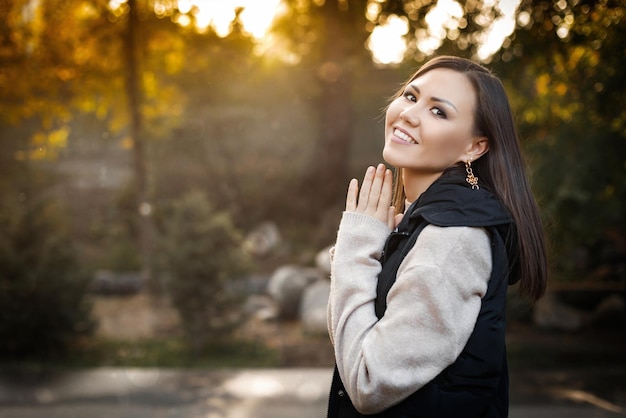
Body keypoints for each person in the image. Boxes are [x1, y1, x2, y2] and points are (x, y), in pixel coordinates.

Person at [326, 55, 548, 418]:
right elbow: (355, 344)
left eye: (439, 112)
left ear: (474, 147)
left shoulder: (453, 239)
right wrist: (371, 252)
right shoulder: (424, 222)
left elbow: (369, 382)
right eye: (411, 96)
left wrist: (356, 247)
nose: (410, 114)